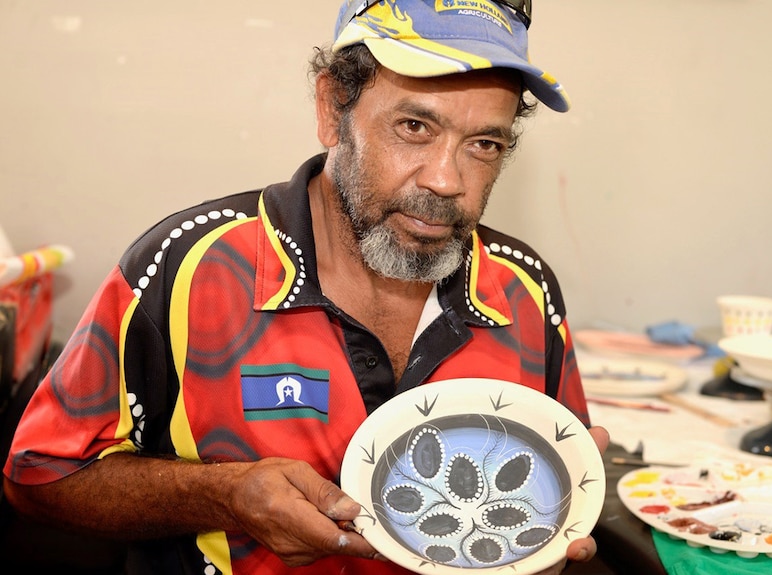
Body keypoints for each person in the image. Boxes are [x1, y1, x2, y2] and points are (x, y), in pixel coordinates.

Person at [3, 1, 609, 573]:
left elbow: (555, 499)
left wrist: (549, 530)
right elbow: (39, 474)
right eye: (414, 126)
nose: (448, 181)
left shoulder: (526, 290)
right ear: (330, 107)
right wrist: (224, 495)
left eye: (484, 144)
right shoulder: (190, 265)